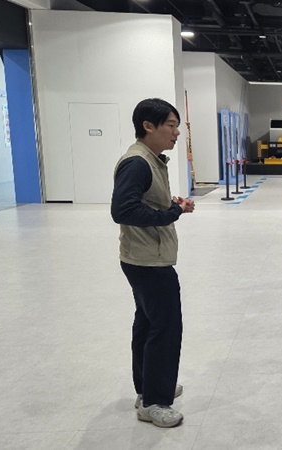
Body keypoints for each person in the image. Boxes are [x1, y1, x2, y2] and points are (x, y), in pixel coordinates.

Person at [111, 98, 194, 428]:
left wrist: (169, 205)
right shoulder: (138, 162)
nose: (176, 132)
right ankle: (155, 402)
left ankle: (148, 388)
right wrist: (171, 212)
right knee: (165, 327)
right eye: (171, 125)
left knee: (147, 323)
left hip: (144, 257)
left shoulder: (150, 160)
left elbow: (141, 202)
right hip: (148, 261)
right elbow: (123, 210)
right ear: (148, 126)